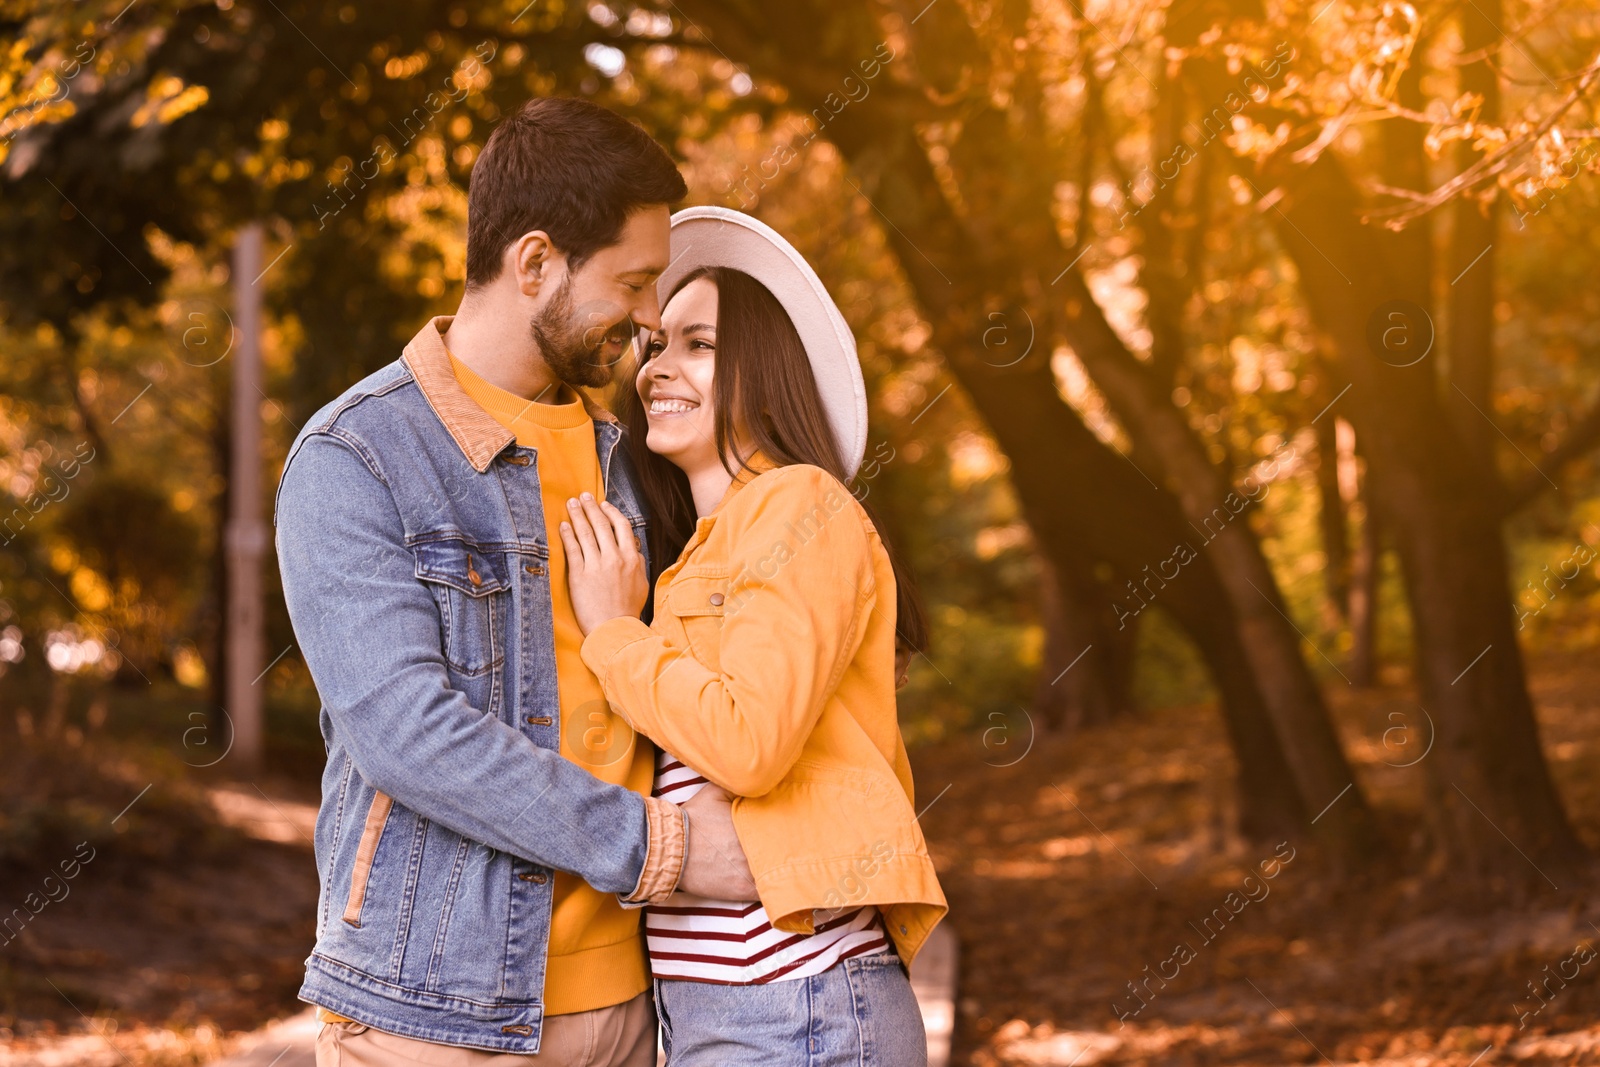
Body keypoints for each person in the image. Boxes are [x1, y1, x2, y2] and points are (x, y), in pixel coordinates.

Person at [274, 99, 756, 1067]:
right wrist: (664, 848)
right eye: (633, 280)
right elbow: (406, 729)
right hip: (433, 1018)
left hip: (638, 1010)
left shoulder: (641, 460)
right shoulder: (359, 456)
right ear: (534, 263)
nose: (653, 316)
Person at [559, 207, 949, 1066]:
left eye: (698, 344)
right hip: (722, 1015)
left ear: (765, 373)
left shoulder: (801, 505)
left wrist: (617, 634)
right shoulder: (692, 555)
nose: (658, 365)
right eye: (657, 344)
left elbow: (749, 743)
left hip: (799, 1009)